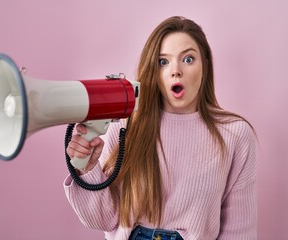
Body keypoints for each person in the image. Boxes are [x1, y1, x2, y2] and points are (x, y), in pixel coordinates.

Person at [64, 16, 257, 240]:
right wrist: (88, 169)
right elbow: (103, 219)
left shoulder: (235, 135)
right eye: (163, 62)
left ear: (204, 65)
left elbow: (239, 232)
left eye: (188, 59)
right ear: (153, 73)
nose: (175, 70)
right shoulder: (127, 126)